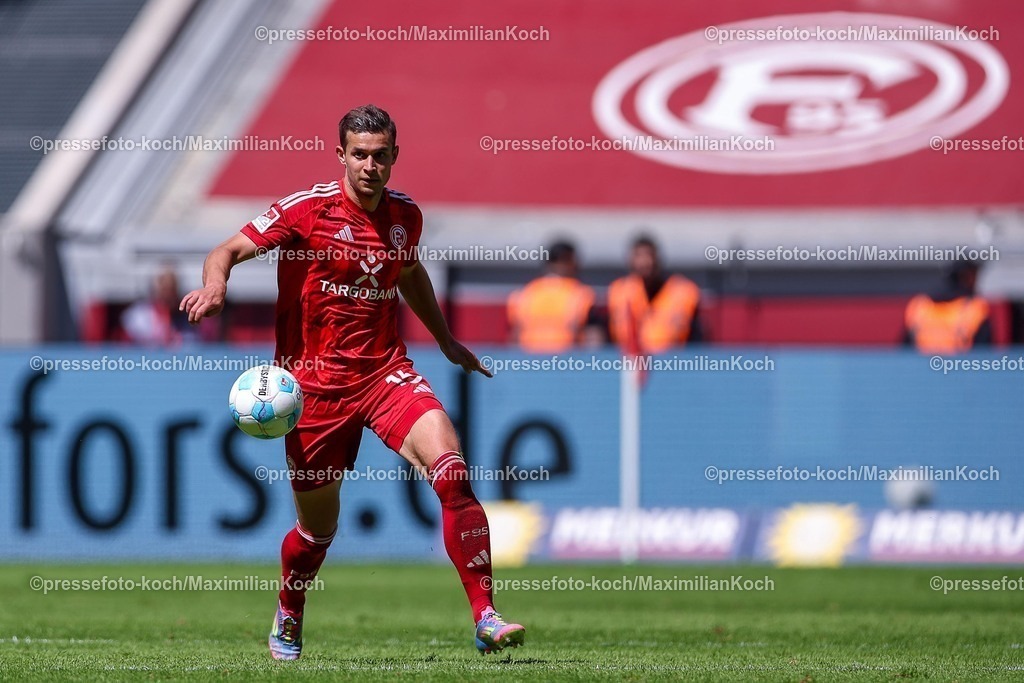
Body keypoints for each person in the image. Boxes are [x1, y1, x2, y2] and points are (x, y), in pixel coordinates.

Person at [180, 105, 524, 660]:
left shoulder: (405, 217)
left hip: (385, 373)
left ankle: (485, 615)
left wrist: (444, 339)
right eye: (360, 155)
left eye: (380, 155)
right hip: (311, 389)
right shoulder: (306, 210)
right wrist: (216, 286)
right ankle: (290, 610)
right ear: (340, 154)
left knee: (452, 472)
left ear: (395, 156)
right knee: (317, 533)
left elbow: (409, 272)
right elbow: (228, 250)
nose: (370, 166)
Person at [608, 235, 702, 354]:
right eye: (639, 256)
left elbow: (698, 339)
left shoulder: (683, 292)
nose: (645, 263)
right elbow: (608, 336)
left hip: (673, 360)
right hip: (627, 360)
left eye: (649, 256)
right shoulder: (619, 291)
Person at [507, 240, 596, 351]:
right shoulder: (580, 294)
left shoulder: (524, 294)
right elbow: (592, 337)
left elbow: (515, 336)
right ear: (567, 260)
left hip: (529, 358)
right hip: (567, 358)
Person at [904, 260, 991, 354]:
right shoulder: (975, 307)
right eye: (974, 275)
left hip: (919, 362)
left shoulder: (920, 304)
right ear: (967, 277)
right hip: (961, 362)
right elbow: (985, 353)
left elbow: (902, 351)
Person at [122, 267, 199, 345]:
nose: (168, 296)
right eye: (164, 290)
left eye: (171, 290)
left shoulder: (187, 319)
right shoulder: (139, 317)